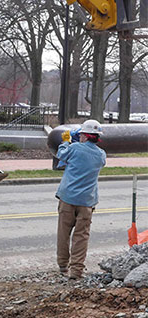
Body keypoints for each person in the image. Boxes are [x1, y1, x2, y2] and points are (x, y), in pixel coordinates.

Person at [55, 119, 106, 279]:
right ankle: (76, 271)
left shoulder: (74, 148)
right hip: (87, 201)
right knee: (81, 236)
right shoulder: (101, 155)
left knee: (64, 233)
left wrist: (65, 141)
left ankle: (63, 266)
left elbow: (60, 155)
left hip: (68, 198)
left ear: (84, 135)